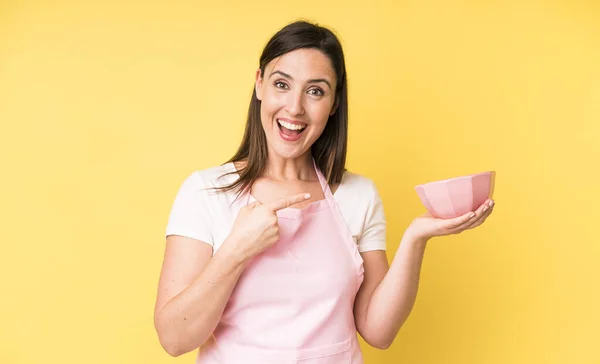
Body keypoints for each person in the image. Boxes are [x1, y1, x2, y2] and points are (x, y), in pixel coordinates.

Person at [154, 20, 495, 363]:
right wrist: (235, 251)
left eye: (315, 91)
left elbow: (379, 332)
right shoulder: (206, 192)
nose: (295, 108)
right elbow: (175, 339)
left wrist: (415, 238)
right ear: (259, 84)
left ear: (334, 103)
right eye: (282, 84)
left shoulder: (358, 195)